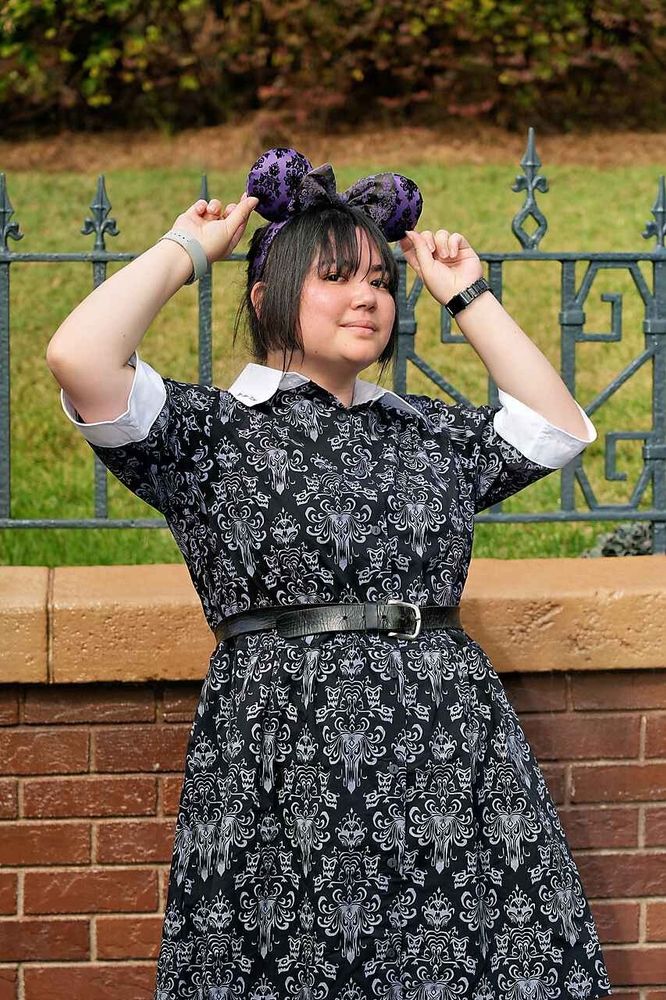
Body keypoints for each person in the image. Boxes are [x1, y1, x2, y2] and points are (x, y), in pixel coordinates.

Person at [46, 147, 612, 1000]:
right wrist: (184, 249)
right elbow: (79, 358)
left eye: (381, 282)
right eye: (337, 278)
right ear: (267, 296)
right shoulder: (208, 434)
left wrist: (466, 293)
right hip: (278, 751)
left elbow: (557, 427)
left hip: (447, 741)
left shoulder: (424, 430)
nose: (369, 298)